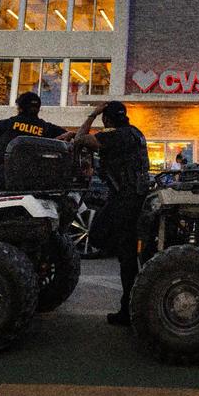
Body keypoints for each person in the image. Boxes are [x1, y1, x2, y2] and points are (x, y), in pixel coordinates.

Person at [73, 101, 150, 327]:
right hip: (136, 197)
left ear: (106, 119)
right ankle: (129, 308)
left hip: (125, 198)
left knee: (97, 235)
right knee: (127, 257)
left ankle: (130, 308)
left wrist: (92, 114)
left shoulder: (114, 136)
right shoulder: (135, 133)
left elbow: (79, 139)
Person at [0, 91, 67, 192]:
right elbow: (70, 137)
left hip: (1, 178)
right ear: (38, 109)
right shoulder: (48, 129)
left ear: (19, 108)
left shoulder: (4, 125)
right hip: (35, 181)